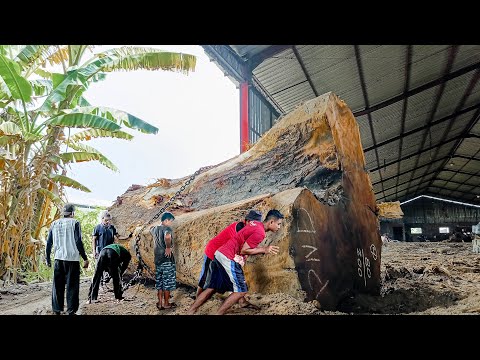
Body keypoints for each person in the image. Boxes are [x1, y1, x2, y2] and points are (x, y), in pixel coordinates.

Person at [187, 209, 284, 315]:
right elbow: (244, 250)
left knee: (212, 287)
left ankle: (190, 311)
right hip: (227, 256)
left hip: (220, 253)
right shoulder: (260, 233)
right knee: (241, 291)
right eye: (278, 224)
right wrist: (264, 249)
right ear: (271, 222)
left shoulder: (255, 224)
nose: (279, 227)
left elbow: (242, 242)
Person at [196, 209, 263, 309]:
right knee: (205, 278)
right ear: (248, 221)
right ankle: (197, 300)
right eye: (253, 222)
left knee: (234, 278)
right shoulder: (240, 227)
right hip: (213, 250)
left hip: (224, 255)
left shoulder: (249, 230)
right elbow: (239, 247)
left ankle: (242, 301)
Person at [46, 203, 89, 315]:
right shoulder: (75, 223)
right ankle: (71, 310)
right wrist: (85, 258)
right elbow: (78, 241)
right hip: (72, 259)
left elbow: (49, 243)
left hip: (58, 259)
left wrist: (47, 259)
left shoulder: (54, 224)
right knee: (72, 286)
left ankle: (57, 310)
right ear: (72, 213)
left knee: (57, 286)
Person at [92, 211, 129, 285]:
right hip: (100, 251)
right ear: (102, 219)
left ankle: (112, 281)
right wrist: (94, 251)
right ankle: (99, 284)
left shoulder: (112, 228)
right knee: (99, 269)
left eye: (109, 220)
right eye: (106, 220)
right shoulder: (97, 228)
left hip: (110, 251)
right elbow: (94, 240)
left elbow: (118, 237)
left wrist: (127, 237)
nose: (108, 222)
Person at [150, 211, 176, 310]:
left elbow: (150, 228)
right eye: (170, 221)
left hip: (158, 260)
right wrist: (168, 247)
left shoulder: (154, 229)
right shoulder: (167, 228)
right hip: (166, 260)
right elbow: (167, 236)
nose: (171, 223)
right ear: (166, 220)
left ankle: (160, 303)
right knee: (167, 283)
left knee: (159, 282)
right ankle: (166, 303)